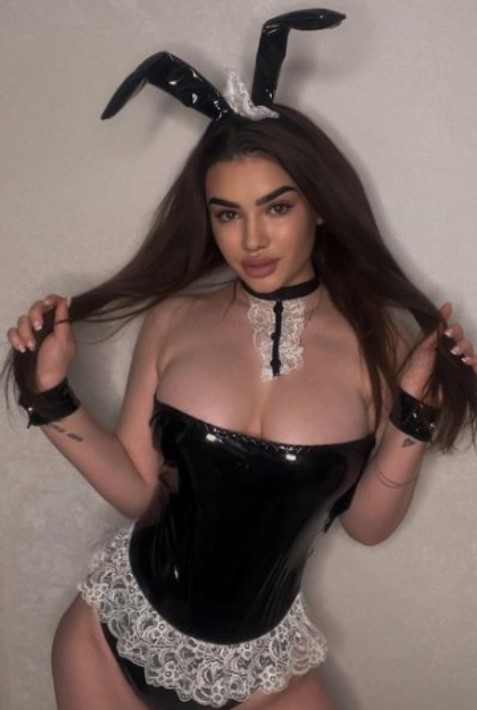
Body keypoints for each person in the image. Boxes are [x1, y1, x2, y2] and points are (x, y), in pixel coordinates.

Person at [4, 9, 477, 710]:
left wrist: (414, 417)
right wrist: (50, 399)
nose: (250, 239)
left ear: (318, 206)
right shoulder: (173, 321)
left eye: (276, 207)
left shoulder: (380, 347)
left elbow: (366, 527)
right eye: (227, 213)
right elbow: (139, 491)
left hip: (263, 679)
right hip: (110, 641)